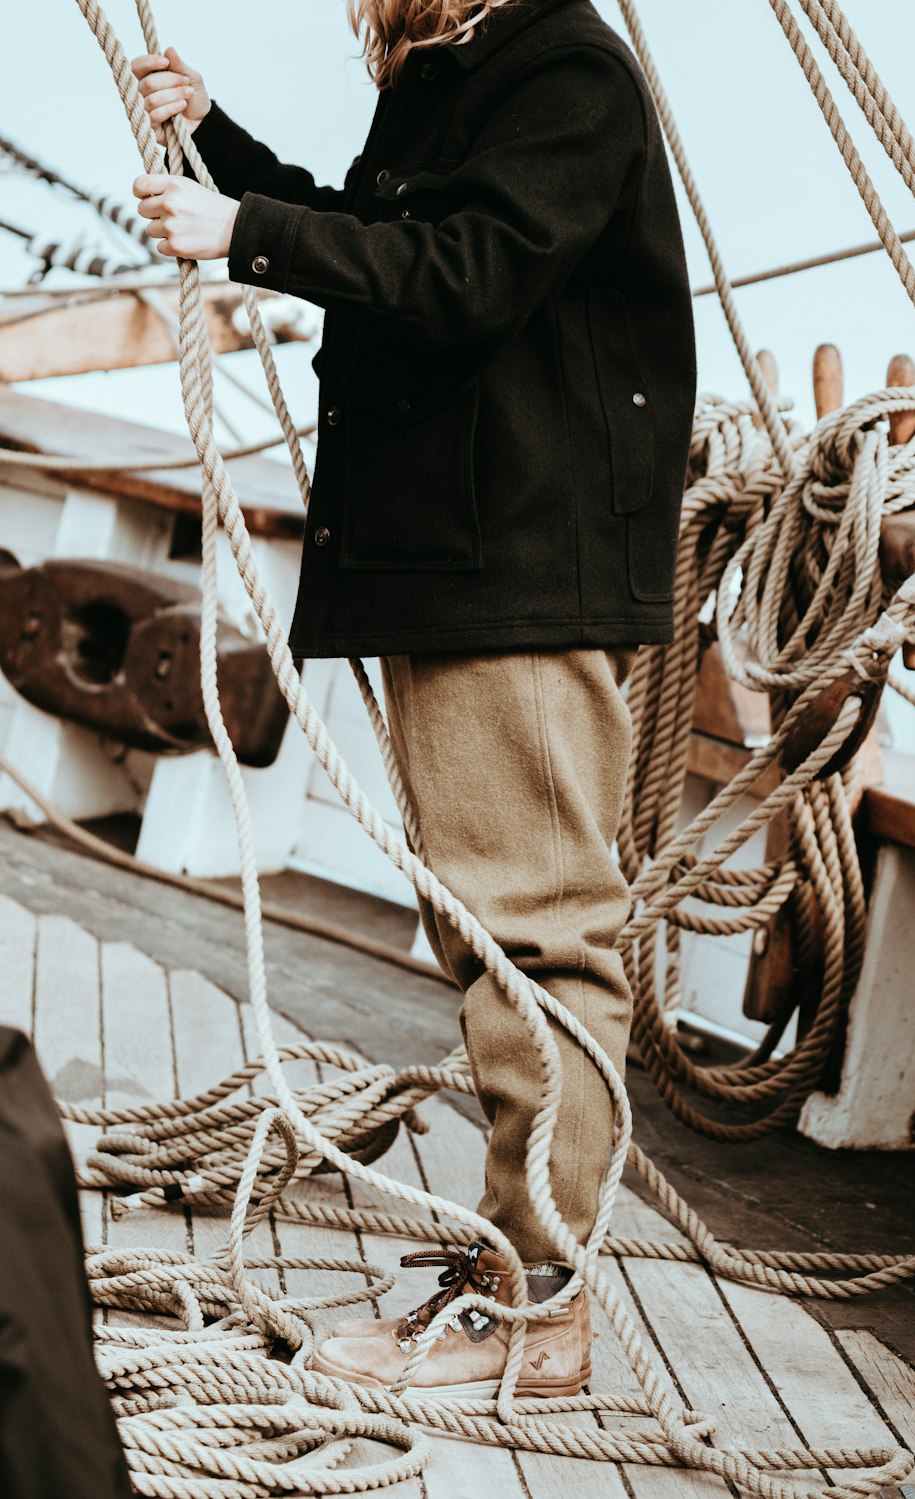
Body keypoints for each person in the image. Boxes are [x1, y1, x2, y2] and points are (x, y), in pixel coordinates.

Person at [130, 0, 695, 1401]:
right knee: (489, 927)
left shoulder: (567, 69)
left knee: (534, 934)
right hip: (450, 560)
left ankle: (536, 1311)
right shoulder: (459, 72)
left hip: (515, 569)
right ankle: (515, 1275)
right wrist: (218, 146)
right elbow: (381, 235)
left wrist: (244, 239)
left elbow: (467, 273)